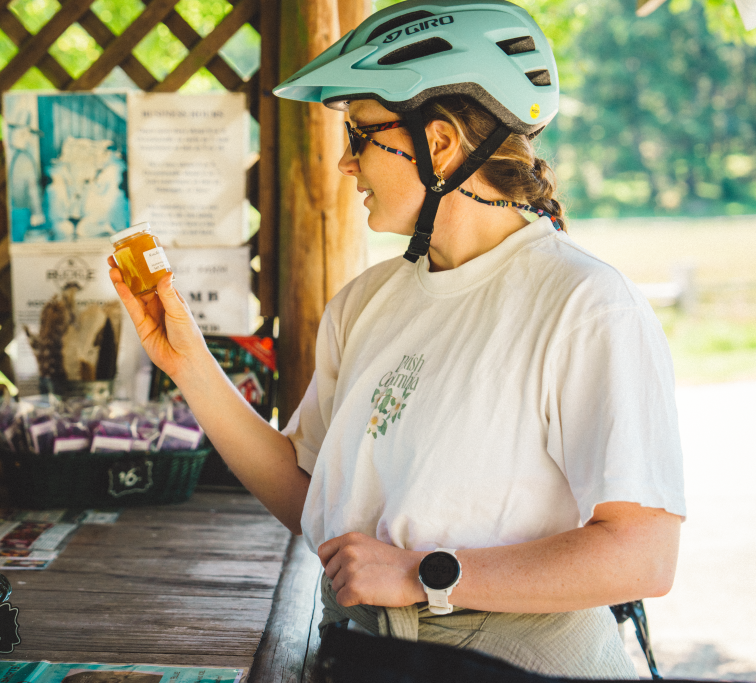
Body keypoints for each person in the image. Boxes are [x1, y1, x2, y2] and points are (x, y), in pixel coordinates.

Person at [107, 0, 685, 677]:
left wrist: (422, 575)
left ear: (438, 144)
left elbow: (643, 555)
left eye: (358, 134)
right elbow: (310, 494)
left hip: (518, 661)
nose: (345, 164)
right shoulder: (366, 303)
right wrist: (188, 364)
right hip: (368, 653)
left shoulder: (584, 304)